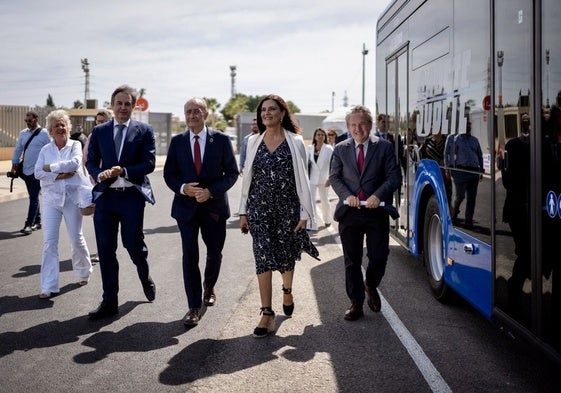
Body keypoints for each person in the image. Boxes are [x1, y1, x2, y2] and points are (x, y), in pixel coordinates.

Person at [239, 94, 319, 338]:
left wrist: (304, 213)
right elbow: (248, 179)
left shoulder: (295, 142)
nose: (267, 113)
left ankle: (287, 289)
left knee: (285, 256)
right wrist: (243, 212)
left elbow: (303, 181)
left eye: (272, 109)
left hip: (287, 208)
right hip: (259, 208)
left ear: (282, 113)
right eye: (263, 110)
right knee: (262, 256)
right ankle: (266, 312)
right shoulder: (253, 141)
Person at [163, 97, 239, 327]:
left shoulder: (222, 140)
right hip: (186, 210)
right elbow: (169, 175)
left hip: (214, 209)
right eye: (188, 112)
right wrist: (183, 188)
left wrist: (211, 192)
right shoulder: (177, 142)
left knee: (214, 253)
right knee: (189, 256)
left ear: (206, 114)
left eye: (197, 111)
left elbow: (232, 174)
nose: (192, 115)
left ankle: (209, 286)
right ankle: (193, 306)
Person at [85, 85, 156, 320]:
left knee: (133, 245)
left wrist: (123, 170)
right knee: (106, 250)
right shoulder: (100, 131)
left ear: (133, 106)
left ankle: (144, 275)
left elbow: (149, 163)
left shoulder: (144, 130)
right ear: (112, 105)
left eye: (127, 103)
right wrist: (99, 173)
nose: (123, 107)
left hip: (131, 197)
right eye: (119, 103)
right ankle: (109, 301)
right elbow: (91, 160)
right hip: (106, 198)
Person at [329, 105, 401, 321]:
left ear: (369, 125)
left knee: (379, 256)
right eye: (352, 125)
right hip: (349, 212)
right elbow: (335, 177)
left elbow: (394, 177)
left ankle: (371, 284)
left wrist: (378, 195)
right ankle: (356, 303)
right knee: (352, 260)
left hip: (376, 211)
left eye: (361, 124)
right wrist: (346, 195)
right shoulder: (341, 148)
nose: (357, 128)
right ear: (348, 126)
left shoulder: (385, 147)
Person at [34, 110, 94, 299]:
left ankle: (84, 272)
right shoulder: (45, 150)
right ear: (51, 131)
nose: (60, 128)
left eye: (62, 124)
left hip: (71, 200)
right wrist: (59, 175)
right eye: (56, 125)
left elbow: (75, 164)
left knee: (76, 238)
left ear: (67, 127)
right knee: (49, 243)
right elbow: (37, 173)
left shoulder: (75, 144)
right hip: (51, 201)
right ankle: (48, 285)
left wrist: (50, 168)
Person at [501, 114, 531, 313]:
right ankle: (514, 293)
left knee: (527, 253)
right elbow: (506, 179)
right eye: (526, 119)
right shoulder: (513, 145)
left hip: (535, 208)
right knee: (526, 252)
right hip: (517, 208)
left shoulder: (543, 145)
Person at [9, 111, 51, 235]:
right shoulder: (23, 134)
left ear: (37, 119)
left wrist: (50, 168)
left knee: (33, 197)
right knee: (33, 197)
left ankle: (29, 224)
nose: (28, 123)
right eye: (26, 121)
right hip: (26, 170)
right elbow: (18, 150)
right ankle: (38, 221)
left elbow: (51, 150)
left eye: (30, 120)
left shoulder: (44, 134)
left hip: (39, 171)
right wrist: (14, 167)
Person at [445, 120, 484, 229]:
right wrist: (448, 169)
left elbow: (480, 156)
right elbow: (447, 154)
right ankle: (454, 213)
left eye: (469, 124)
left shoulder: (474, 140)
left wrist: (481, 170)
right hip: (460, 172)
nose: (468, 126)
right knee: (460, 196)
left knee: (472, 198)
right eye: (466, 124)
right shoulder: (455, 139)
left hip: (474, 171)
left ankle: (468, 221)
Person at [307, 127, 333, 229]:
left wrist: (330, 178)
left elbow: (333, 164)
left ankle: (327, 220)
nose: (320, 136)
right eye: (318, 134)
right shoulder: (310, 148)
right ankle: (312, 224)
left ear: (325, 137)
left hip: (324, 178)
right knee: (311, 201)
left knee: (325, 200)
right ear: (315, 136)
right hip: (312, 178)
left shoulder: (329, 148)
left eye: (322, 135)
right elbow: (307, 164)